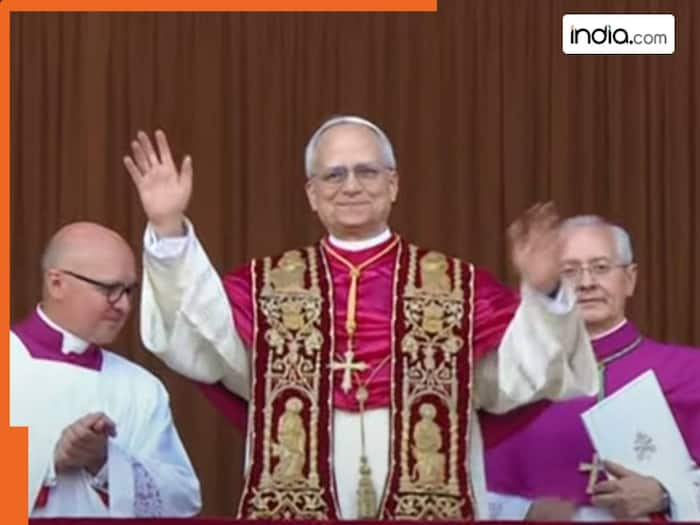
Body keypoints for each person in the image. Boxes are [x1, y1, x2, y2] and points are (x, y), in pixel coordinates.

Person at [123, 115, 598, 520]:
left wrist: (545, 293)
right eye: (334, 175)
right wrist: (168, 228)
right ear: (311, 193)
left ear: (393, 184)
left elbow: (513, 379)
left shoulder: (457, 288)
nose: (351, 186)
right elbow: (200, 341)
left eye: (367, 171)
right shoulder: (267, 288)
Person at [485, 215, 700, 521]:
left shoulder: (690, 372)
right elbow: (463, 487)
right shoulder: (513, 380)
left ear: (629, 279)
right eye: (569, 271)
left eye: (601, 267)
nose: (586, 283)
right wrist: (524, 511)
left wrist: (665, 494)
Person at [10, 222, 202, 517]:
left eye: (128, 291)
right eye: (109, 289)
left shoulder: (142, 388)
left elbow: (183, 502)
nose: (123, 305)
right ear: (57, 283)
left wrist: (106, 462)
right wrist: (48, 462)